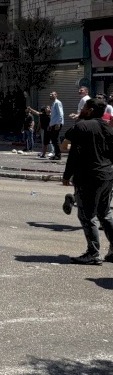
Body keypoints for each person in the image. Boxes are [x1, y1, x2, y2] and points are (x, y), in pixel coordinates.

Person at [61, 98, 113, 264]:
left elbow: (71, 152)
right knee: (104, 214)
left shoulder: (81, 126)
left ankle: (93, 253)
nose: (82, 109)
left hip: (87, 176)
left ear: (90, 110)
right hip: (106, 175)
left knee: (87, 216)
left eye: (84, 106)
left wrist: (67, 175)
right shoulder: (108, 128)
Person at [48, 91, 64, 161]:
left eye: (52, 94)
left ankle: (58, 155)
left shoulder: (57, 102)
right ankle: (56, 154)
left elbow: (60, 113)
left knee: (55, 139)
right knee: (53, 139)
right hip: (53, 123)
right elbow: (53, 115)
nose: (51, 95)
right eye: (50, 94)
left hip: (57, 124)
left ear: (56, 95)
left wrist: (58, 123)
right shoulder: (53, 103)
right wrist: (50, 124)